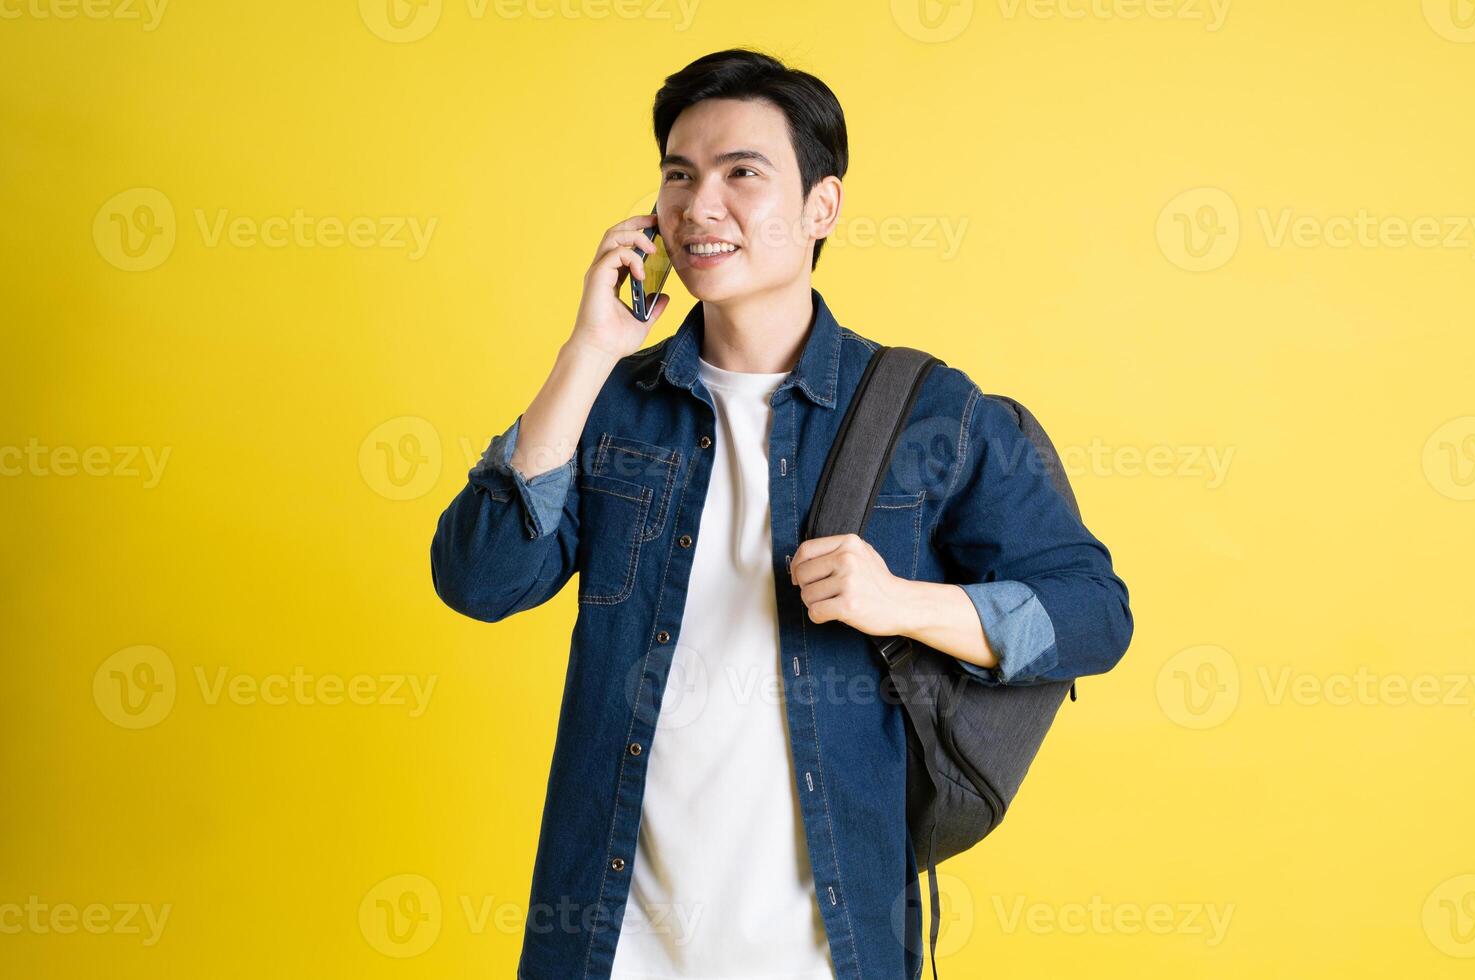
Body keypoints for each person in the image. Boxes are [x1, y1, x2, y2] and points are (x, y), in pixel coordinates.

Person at [430, 47, 1132, 980]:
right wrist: (589, 349)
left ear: (821, 207)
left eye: (741, 174)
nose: (698, 206)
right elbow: (477, 580)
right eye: (677, 175)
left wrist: (905, 604)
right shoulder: (609, 401)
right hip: (607, 944)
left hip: (827, 949)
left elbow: (1094, 611)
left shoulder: (929, 410)